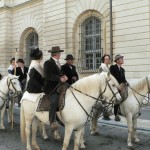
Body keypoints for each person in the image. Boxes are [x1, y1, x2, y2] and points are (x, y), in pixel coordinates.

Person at [44, 46, 68, 131]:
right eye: (59, 53)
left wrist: (64, 76)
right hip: (51, 88)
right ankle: (52, 121)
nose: (60, 54)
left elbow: (60, 73)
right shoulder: (48, 63)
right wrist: (59, 78)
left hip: (60, 85)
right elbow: (47, 75)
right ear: (57, 54)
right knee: (54, 101)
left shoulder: (58, 62)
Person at [110, 54, 128, 121]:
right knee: (117, 98)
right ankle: (116, 114)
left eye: (122, 58)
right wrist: (118, 85)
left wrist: (126, 82)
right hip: (115, 86)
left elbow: (123, 79)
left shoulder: (123, 69)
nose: (122, 60)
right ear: (117, 60)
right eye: (121, 59)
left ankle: (123, 111)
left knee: (128, 93)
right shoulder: (113, 67)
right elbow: (112, 77)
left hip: (122, 86)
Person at [99, 54, 111, 120]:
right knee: (104, 100)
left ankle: (107, 114)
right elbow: (102, 76)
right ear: (104, 60)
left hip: (108, 85)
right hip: (103, 85)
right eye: (106, 59)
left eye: (108, 59)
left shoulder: (108, 67)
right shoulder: (102, 67)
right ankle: (105, 115)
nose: (107, 60)